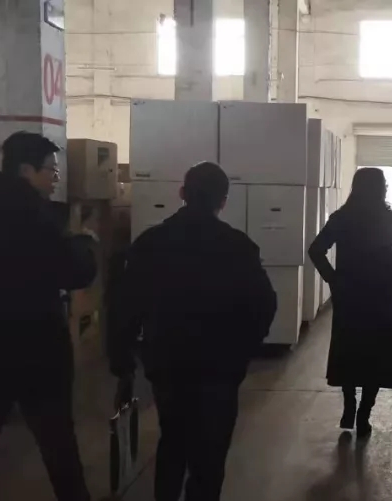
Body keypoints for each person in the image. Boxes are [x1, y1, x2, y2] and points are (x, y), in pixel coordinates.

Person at [109, 162, 277, 501]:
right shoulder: (238, 245)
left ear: (182, 193)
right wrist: (243, 350)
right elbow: (264, 304)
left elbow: (124, 306)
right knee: (210, 455)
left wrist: (123, 362)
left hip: (167, 363)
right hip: (220, 367)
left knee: (172, 441)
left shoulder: (150, 243)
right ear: (223, 201)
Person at [0, 132, 96, 501]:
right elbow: (71, 271)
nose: (55, 178)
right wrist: (84, 243)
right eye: (51, 170)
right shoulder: (33, 216)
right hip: (34, 350)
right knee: (57, 441)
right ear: (26, 170)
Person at [308, 167, 392, 438]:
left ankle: (349, 406)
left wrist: (333, 279)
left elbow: (316, 250)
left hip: (349, 295)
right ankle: (364, 414)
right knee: (377, 355)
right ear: (380, 188)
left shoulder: (341, 217)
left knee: (349, 350)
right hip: (382, 296)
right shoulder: (390, 219)